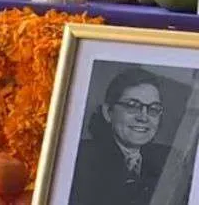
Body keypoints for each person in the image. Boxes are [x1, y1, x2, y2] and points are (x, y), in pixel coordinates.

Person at [69, 68, 180, 205]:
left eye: (154, 109)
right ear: (108, 112)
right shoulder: (80, 158)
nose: (143, 117)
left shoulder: (169, 160)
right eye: (132, 106)